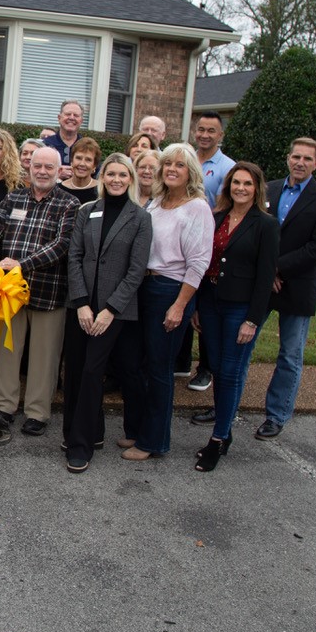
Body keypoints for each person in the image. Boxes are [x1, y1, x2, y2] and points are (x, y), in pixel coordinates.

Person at [0, 147, 78, 436]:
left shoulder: (69, 204)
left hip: (49, 292)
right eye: (37, 166)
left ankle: (37, 412)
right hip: (9, 292)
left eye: (49, 167)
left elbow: (62, 245)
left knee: (45, 356)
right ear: (28, 168)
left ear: (60, 171)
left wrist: (20, 264)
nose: (42, 171)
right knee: (6, 350)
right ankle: (2, 407)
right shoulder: (14, 197)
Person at [61, 153, 152, 473]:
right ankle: (84, 430)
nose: (116, 179)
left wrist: (109, 309)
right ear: (103, 177)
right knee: (73, 370)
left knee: (90, 372)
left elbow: (136, 269)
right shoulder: (88, 211)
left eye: (122, 175)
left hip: (114, 311)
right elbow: (74, 257)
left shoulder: (140, 218)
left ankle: (81, 445)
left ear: (131, 179)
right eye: (110, 174)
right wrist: (82, 302)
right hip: (81, 305)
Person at [121, 143, 213, 461]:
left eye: (180, 165)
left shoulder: (197, 207)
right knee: (133, 364)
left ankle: (153, 441)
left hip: (171, 291)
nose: (171, 169)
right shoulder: (158, 203)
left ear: (191, 172)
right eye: (167, 164)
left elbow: (199, 262)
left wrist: (180, 305)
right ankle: (135, 431)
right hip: (143, 286)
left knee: (159, 369)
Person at [192, 161, 280, 471]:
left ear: (257, 189)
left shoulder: (266, 225)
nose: (240, 188)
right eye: (236, 183)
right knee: (217, 368)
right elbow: (203, 265)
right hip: (212, 304)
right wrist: (198, 307)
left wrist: (253, 320)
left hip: (240, 309)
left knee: (230, 372)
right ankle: (224, 432)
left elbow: (265, 278)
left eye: (247, 184)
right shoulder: (215, 218)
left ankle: (217, 440)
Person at [252, 138, 316, 441]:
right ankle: (223, 407)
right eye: (295, 157)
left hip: (298, 285)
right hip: (261, 284)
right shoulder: (269, 189)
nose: (300, 162)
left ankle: (276, 415)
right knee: (241, 346)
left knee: (290, 355)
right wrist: (266, 271)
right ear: (288, 158)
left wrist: (276, 268)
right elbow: (255, 231)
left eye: (307, 159)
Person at [180, 110, 236, 391]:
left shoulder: (227, 167)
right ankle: (181, 360)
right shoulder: (186, 157)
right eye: (200, 129)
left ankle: (206, 368)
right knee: (183, 300)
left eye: (211, 131)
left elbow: (228, 203)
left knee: (205, 305)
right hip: (181, 237)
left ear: (220, 135)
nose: (204, 135)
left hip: (210, 240)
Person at [43, 100, 84, 180]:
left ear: (81, 121)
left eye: (76, 115)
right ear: (59, 118)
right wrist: (56, 173)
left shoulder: (87, 147)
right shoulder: (45, 145)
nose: (72, 118)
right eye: (68, 114)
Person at [59, 136, 100, 204]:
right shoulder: (59, 189)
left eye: (88, 160)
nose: (82, 164)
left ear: (94, 166)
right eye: (78, 158)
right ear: (71, 161)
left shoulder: (101, 190)